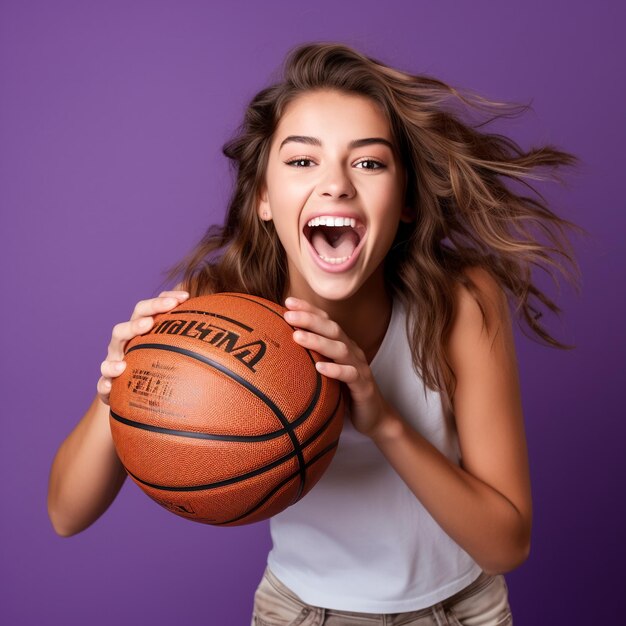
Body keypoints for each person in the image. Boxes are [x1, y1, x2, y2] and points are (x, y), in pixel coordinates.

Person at [47, 42, 585, 625]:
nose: (336, 185)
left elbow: (507, 546)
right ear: (262, 198)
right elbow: (65, 516)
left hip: (459, 610)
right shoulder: (214, 314)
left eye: (369, 162)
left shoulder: (460, 300)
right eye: (303, 161)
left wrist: (383, 423)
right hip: (300, 613)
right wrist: (121, 390)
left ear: (404, 199)